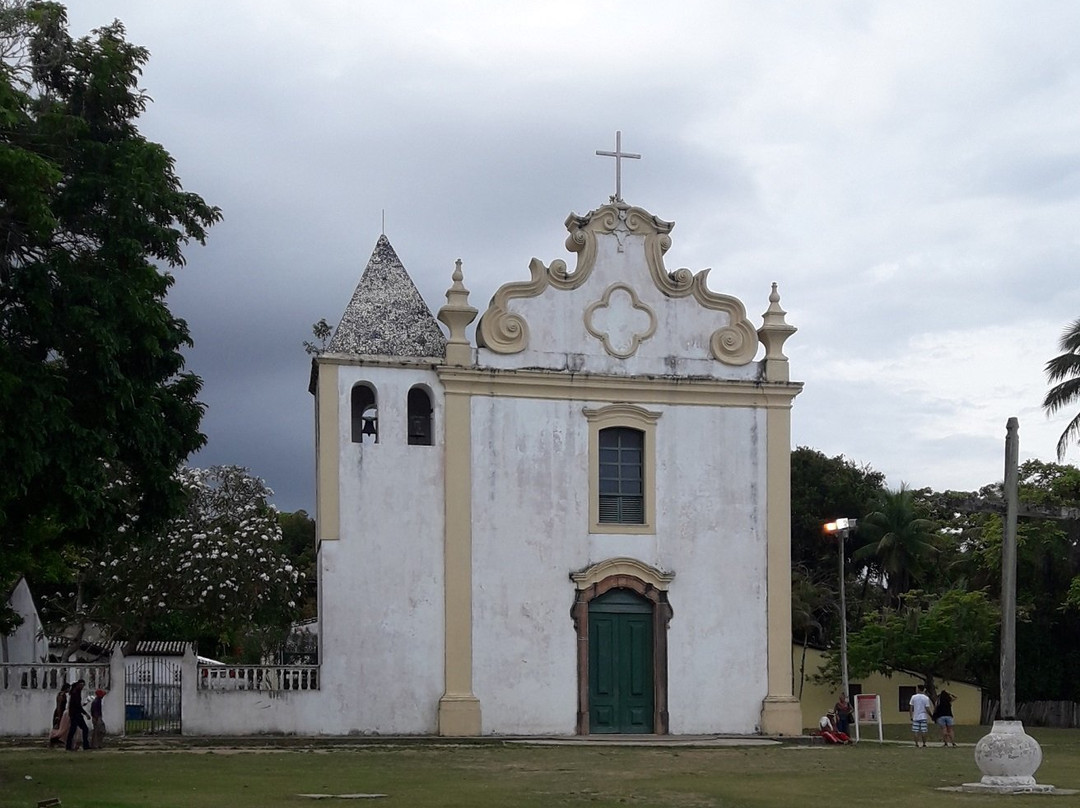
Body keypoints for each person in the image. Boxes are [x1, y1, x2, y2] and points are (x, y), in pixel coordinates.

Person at [65, 679, 91, 751]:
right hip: (76, 714)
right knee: (82, 729)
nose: (82, 687)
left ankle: (69, 746)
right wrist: (86, 714)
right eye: (82, 685)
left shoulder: (76, 692)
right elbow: (77, 706)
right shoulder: (76, 693)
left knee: (73, 730)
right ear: (79, 685)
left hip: (75, 714)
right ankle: (85, 745)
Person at [47, 682, 70, 748]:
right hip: (60, 712)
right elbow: (59, 705)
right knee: (58, 727)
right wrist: (59, 715)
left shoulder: (60, 694)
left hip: (59, 711)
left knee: (59, 727)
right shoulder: (62, 695)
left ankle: (55, 741)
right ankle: (53, 740)